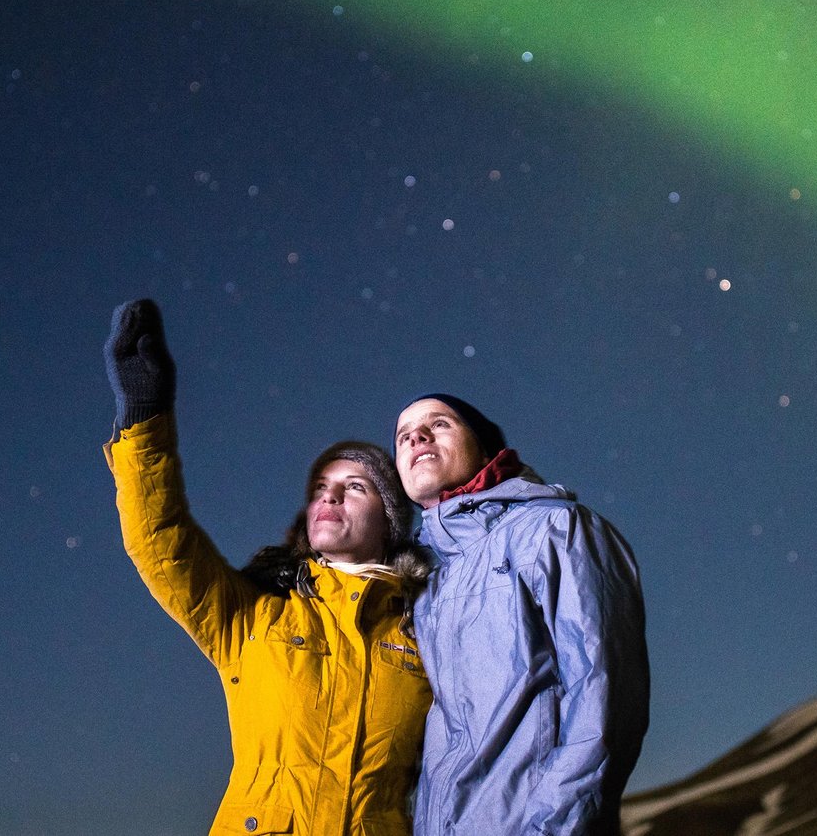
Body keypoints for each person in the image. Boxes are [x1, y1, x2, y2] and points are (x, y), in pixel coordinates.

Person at [103, 299, 432, 836]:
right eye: (321, 490)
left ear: (391, 520)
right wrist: (145, 415)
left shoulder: (428, 629)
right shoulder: (255, 614)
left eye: (354, 488)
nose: (330, 498)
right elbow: (160, 539)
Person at [394, 394, 650, 836]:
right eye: (403, 437)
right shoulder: (425, 584)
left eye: (439, 425)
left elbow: (603, 697)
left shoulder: (555, 529)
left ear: (485, 447)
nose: (417, 436)